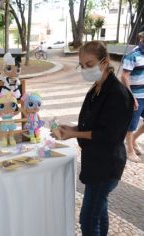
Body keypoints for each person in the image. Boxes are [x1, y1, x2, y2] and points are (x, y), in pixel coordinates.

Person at [52, 41, 134, 236]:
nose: (85, 69)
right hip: (95, 162)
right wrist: (70, 128)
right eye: (82, 65)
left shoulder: (117, 93)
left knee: (88, 218)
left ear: (104, 62)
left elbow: (108, 134)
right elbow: (92, 125)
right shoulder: (97, 88)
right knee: (99, 212)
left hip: (106, 166)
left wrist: (74, 134)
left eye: (89, 64)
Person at [120, 25, 144, 163]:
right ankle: (129, 150)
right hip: (136, 96)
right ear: (141, 37)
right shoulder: (133, 55)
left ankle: (134, 140)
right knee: (131, 124)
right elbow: (124, 76)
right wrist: (131, 95)